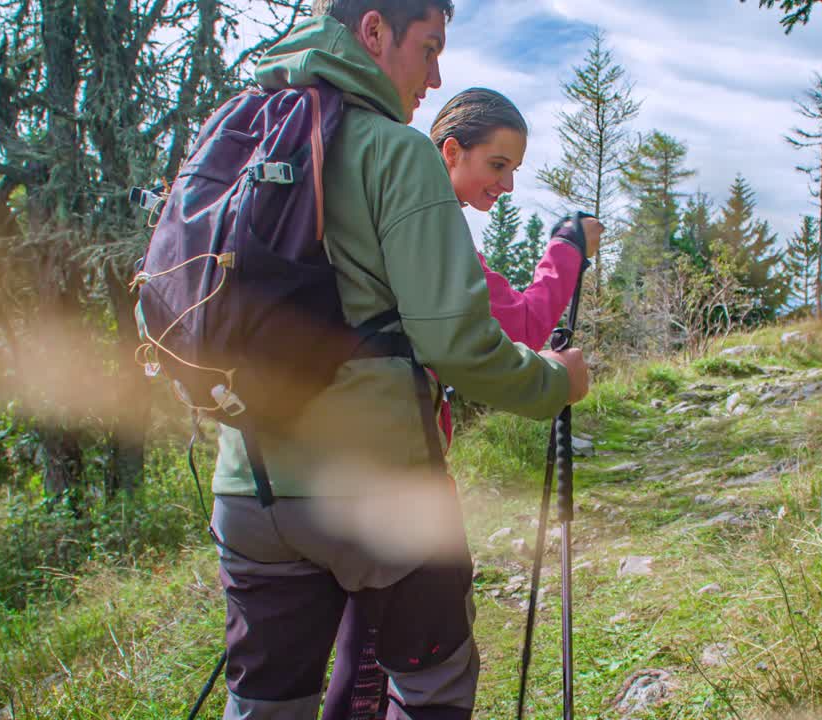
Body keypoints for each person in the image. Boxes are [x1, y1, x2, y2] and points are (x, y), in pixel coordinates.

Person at [208, 2, 591, 719]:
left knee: (265, 703)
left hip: (247, 486)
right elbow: (457, 341)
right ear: (375, 30)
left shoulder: (241, 131)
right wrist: (555, 384)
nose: (436, 73)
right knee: (431, 691)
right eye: (430, 46)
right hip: (381, 490)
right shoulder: (395, 149)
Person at [321, 88, 603, 720]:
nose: (504, 186)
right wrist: (567, 250)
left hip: (310, 468)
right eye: (496, 165)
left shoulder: (360, 218)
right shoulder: (437, 244)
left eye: (514, 172)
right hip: (396, 467)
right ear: (451, 152)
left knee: (361, 648)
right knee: (400, 660)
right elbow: (525, 323)